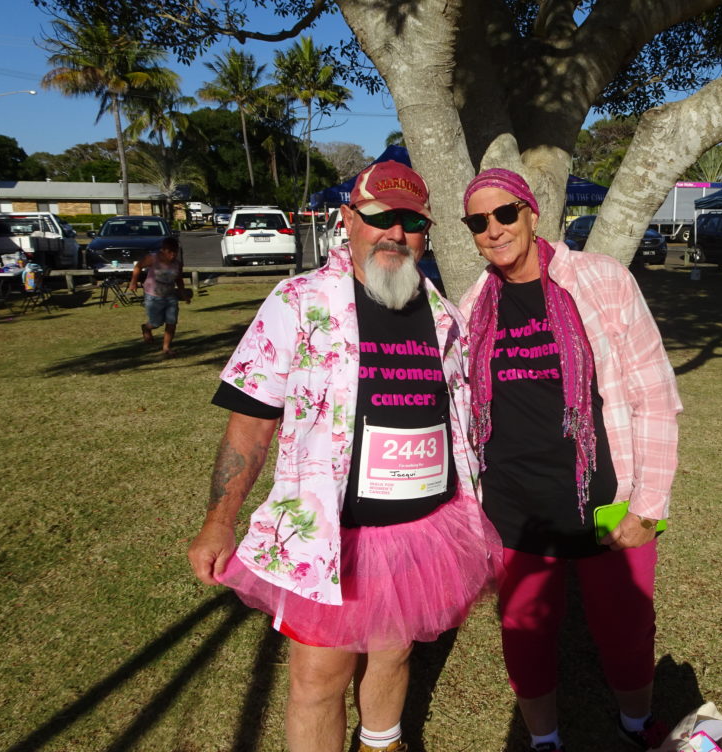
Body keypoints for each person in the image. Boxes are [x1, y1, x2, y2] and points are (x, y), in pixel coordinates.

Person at [188, 161, 502, 752]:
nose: (395, 233)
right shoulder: (298, 302)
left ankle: (383, 744)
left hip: (425, 530)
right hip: (334, 535)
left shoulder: (442, 316)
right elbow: (251, 425)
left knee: (394, 650)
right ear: (348, 221)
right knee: (318, 679)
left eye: (411, 222)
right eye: (380, 217)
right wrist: (218, 519)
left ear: (426, 233)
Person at [458, 169, 682, 752]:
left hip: (609, 497)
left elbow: (654, 396)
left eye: (505, 213)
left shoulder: (601, 280)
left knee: (626, 628)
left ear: (532, 214)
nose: (494, 230)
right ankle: (545, 741)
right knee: (525, 631)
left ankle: (636, 726)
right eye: (478, 222)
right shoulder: (474, 303)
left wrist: (648, 506)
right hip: (514, 505)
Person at [128, 236, 189, 358]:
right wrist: (133, 282)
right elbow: (138, 266)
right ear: (163, 250)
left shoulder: (177, 264)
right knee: (156, 323)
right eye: (169, 252)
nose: (172, 255)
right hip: (153, 295)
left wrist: (183, 293)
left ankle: (166, 347)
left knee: (171, 322)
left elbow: (179, 279)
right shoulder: (153, 258)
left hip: (170, 295)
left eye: (175, 252)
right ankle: (146, 328)